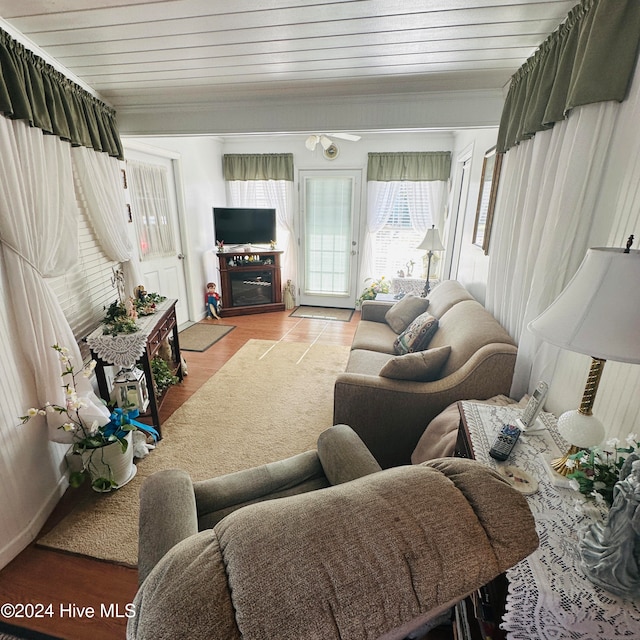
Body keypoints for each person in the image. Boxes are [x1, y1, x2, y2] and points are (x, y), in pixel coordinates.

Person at [580, 456, 640, 598]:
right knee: (614, 537)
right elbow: (620, 487)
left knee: (625, 542)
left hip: (629, 520)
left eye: (636, 471)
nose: (633, 473)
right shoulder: (632, 479)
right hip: (620, 513)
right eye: (633, 470)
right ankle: (608, 560)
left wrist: (631, 500)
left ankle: (616, 569)